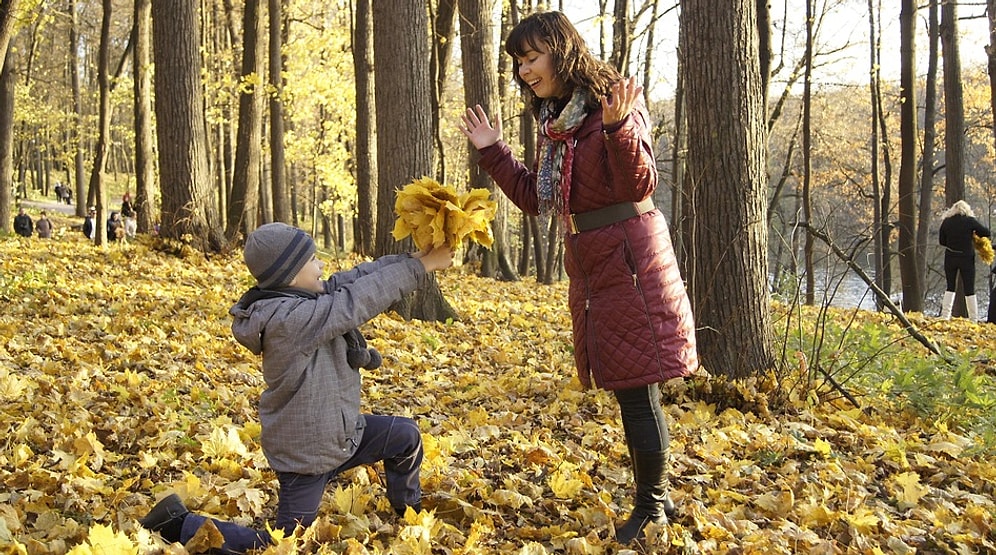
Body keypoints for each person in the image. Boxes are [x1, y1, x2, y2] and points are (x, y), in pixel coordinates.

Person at [460, 10, 698, 544]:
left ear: (561, 52)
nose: (523, 71)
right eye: (518, 62)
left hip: (630, 263)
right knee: (629, 389)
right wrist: (493, 151)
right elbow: (536, 200)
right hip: (594, 267)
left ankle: (652, 506)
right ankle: (657, 494)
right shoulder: (558, 122)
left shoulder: (610, 105)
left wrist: (617, 128)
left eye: (531, 58)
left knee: (636, 391)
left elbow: (639, 181)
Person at [139, 222, 455, 553]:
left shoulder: (300, 298)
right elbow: (356, 301)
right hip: (306, 456)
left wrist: (411, 258)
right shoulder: (290, 320)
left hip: (341, 435)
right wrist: (421, 267)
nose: (322, 267)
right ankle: (178, 523)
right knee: (286, 544)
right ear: (290, 275)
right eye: (313, 261)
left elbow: (352, 281)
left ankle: (408, 510)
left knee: (406, 436)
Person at [938, 200, 991, 321]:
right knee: (969, 287)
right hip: (966, 258)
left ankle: (945, 316)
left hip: (950, 257)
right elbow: (986, 232)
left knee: (950, 286)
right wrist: (973, 235)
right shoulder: (969, 221)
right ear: (966, 210)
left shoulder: (947, 222)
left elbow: (942, 241)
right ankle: (973, 318)